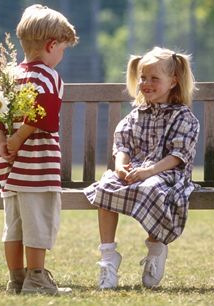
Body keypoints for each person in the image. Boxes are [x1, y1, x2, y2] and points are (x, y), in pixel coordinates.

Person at [84, 47, 200, 289]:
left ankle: (156, 248)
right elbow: (123, 144)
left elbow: (177, 156)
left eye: (154, 78)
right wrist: (120, 168)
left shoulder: (183, 117)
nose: (146, 83)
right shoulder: (136, 114)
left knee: (152, 188)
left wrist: (149, 171)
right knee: (106, 187)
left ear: (173, 82)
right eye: (143, 78)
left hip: (167, 174)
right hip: (137, 171)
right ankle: (108, 257)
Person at [0, 4, 78, 295]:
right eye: (62, 49)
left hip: (10, 167)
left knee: (14, 225)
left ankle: (16, 279)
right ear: (51, 45)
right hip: (37, 166)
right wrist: (18, 139)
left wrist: (3, 144)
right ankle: (36, 279)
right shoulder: (48, 76)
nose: (61, 56)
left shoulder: (9, 75)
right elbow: (43, 115)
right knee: (39, 222)